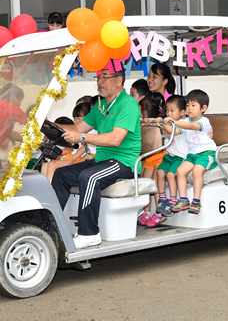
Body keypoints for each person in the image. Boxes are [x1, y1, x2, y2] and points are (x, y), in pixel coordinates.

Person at [51, 68, 141, 249]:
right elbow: (78, 128)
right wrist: (45, 123)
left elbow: (115, 139)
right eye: (98, 77)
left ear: (118, 80)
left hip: (125, 162)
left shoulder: (128, 104)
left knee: (89, 177)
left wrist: (83, 138)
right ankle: (49, 226)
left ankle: (89, 233)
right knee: (61, 174)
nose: (100, 81)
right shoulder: (101, 105)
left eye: (105, 77)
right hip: (103, 160)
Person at [167, 90, 217, 214]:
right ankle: (183, 200)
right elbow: (175, 131)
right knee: (180, 171)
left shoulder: (204, 121)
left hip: (206, 154)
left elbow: (191, 127)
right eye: (188, 105)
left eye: (193, 105)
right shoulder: (185, 121)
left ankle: (196, 202)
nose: (189, 108)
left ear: (203, 108)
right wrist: (162, 123)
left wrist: (173, 122)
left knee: (196, 171)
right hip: (192, 155)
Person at [152, 95, 189, 218]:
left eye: (172, 111)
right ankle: (162, 199)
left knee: (170, 175)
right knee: (160, 172)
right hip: (170, 155)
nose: (168, 113)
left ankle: (173, 200)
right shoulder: (170, 123)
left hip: (180, 157)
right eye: (167, 110)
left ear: (182, 112)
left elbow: (174, 132)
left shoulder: (184, 123)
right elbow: (165, 130)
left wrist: (161, 123)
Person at [41, 102, 96, 181]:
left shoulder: (92, 130)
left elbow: (85, 147)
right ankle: (43, 189)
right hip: (78, 156)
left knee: (53, 165)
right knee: (45, 165)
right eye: (74, 118)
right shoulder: (81, 131)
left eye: (79, 118)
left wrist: (73, 159)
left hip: (86, 157)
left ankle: (50, 191)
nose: (76, 121)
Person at [137, 94, 167, 227]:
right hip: (148, 157)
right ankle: (146, 211)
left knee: (155, 185)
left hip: (160, 157)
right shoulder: (141, 123)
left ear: (144, 112)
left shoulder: (160, 124)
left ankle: (160, 212)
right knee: (145, 183)